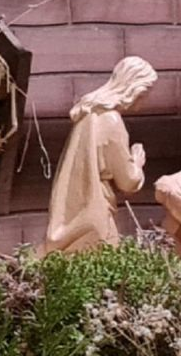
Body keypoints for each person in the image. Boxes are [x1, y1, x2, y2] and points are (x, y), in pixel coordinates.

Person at [39, 57, 157, 255]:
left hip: (78, 205)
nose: (145, 100)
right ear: (134, 89)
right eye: (145, 93)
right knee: (101, 258)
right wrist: (137, 163)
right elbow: (128, 181)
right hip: (96, 206)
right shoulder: (111, 120)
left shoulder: (88, 114)